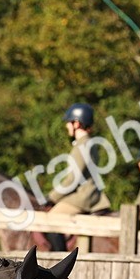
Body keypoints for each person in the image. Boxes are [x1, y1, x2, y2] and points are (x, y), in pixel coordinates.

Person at [44, 102, 111, 251]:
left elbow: (72, 179)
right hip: (86, 193)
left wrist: (52, 197)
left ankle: (60, 259)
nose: (67, 126)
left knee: (50, 219)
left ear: (77, 123)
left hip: (83, 196)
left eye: (69, 122)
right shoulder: (87, 143)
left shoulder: (82, 145)